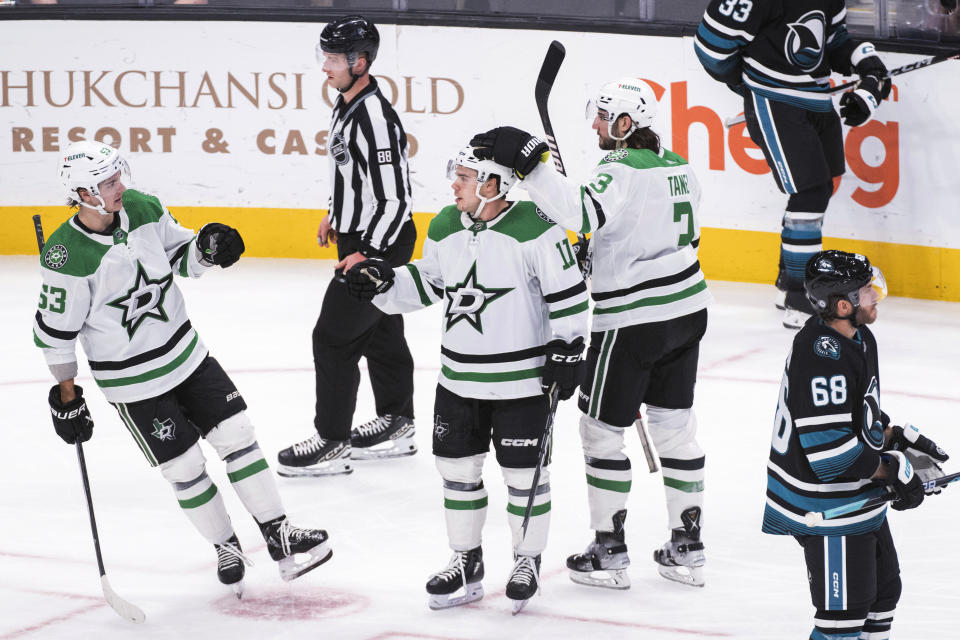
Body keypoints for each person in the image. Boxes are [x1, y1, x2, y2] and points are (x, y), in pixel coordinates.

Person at [35, 140, 332, 598]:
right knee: (185, 467)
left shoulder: (143, 206)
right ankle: (226, 545)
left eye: (118, 176)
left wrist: (209, 250)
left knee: (239, 436)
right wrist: (67, 397)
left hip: (188, 356)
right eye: (107, 182)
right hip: (134, 384)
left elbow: (181, 256)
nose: (119, 187)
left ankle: (278, 532)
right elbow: (57, 333)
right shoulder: (65, 255)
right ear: (83, 192)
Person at [469, 77, 713, 589]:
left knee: (601, 431)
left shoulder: (618, 166)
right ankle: (687, 546)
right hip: (688, 312)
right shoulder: (678, 166)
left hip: (632, 320)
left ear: (627, 124)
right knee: (677, 428)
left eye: (604, 116)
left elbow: (582, 212)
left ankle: (609, 550)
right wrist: (599, 251)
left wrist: (531, 166)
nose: (597, 125)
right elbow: (666, 232)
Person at [342, 145, 589, 613]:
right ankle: (466, 559)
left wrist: (569, 346)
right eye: (455, 174)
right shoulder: (444, 226)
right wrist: (385, 283)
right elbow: (430, 282)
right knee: (457, 475)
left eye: (465, 176)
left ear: (493, 183)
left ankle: (527, 560)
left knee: (524, 479)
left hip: (522, 384)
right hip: (458, 380)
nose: (454, 184)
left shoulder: (538, 227)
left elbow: (571, 296)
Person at [762, 249, 949, 639]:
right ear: (843, 304)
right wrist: (893, 470)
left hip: (854, 496)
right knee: (843, 617)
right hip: (827, 504)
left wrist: (893, 435)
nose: (876, 295)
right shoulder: (820, 356)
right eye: (866, 290)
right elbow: (831, 456)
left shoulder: (858, 337)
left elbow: (856, 416)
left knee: (883, 597)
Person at [276, 15, 418, 477]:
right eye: (325, 58)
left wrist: (369, 254)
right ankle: (398, 421)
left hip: (382, 241)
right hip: (362, 235)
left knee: (333, 338)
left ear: (360, 62)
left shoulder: (375, 117)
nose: (326, 68)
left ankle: (332, 440)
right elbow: (354, 175)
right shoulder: (346, 103)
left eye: (334, 59)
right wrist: (336, 213)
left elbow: (396, 198)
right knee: (379, 332)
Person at [694, 1, 892, 328]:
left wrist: (869, 67)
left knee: (822, 186)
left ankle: (788, 282)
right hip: (774, 101)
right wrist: (747, 84)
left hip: (815, 97)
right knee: (810, 193)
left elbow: (834, 42)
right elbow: (710, 46)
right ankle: (802, 298)